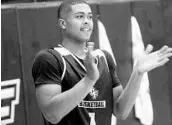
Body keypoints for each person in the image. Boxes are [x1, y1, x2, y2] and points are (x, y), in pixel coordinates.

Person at [32, 0, 172, 125]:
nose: (87, 21)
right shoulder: (49, 59)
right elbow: (52, 115)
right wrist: (89, 79)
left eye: (90, 17)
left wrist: (138, 73)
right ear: (63, 23)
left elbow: (120, 111)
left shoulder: (104, 58)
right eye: (79, 16)